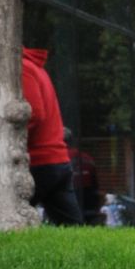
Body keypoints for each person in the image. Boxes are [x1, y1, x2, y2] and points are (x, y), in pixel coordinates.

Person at [21, 48, 83, 225]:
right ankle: (85, 251)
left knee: (8, 214)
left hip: (38, 160)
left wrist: (10, 142)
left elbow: (33, 114)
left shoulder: (23, 68)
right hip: (58, 160)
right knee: (72, 225)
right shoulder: (36, 68)